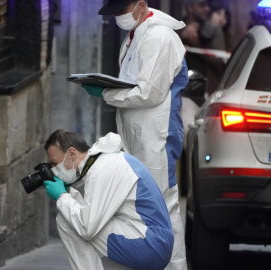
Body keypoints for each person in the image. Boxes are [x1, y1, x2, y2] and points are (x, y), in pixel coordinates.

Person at [81, 1, 188, 269]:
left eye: (121, 10)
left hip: (156, 136)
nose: (119, 17)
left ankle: (174, 266)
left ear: (141, 4)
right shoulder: (137, 34)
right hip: (143, 133)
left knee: (163, 205)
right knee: (150, 205)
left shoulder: (159, 36)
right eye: (115, 13)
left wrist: (106, 93)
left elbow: (149, 92)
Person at [43, 129, 174, 270]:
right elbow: (90, 214)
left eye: (54, 164)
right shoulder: (107, 161)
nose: (54, 170)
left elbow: (86, 227)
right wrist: (67, 192)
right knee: (77, 217)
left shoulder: (102, 169)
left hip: (150, 247)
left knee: (67, 220)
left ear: (72, 154)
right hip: (151, 242)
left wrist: (62, 197)